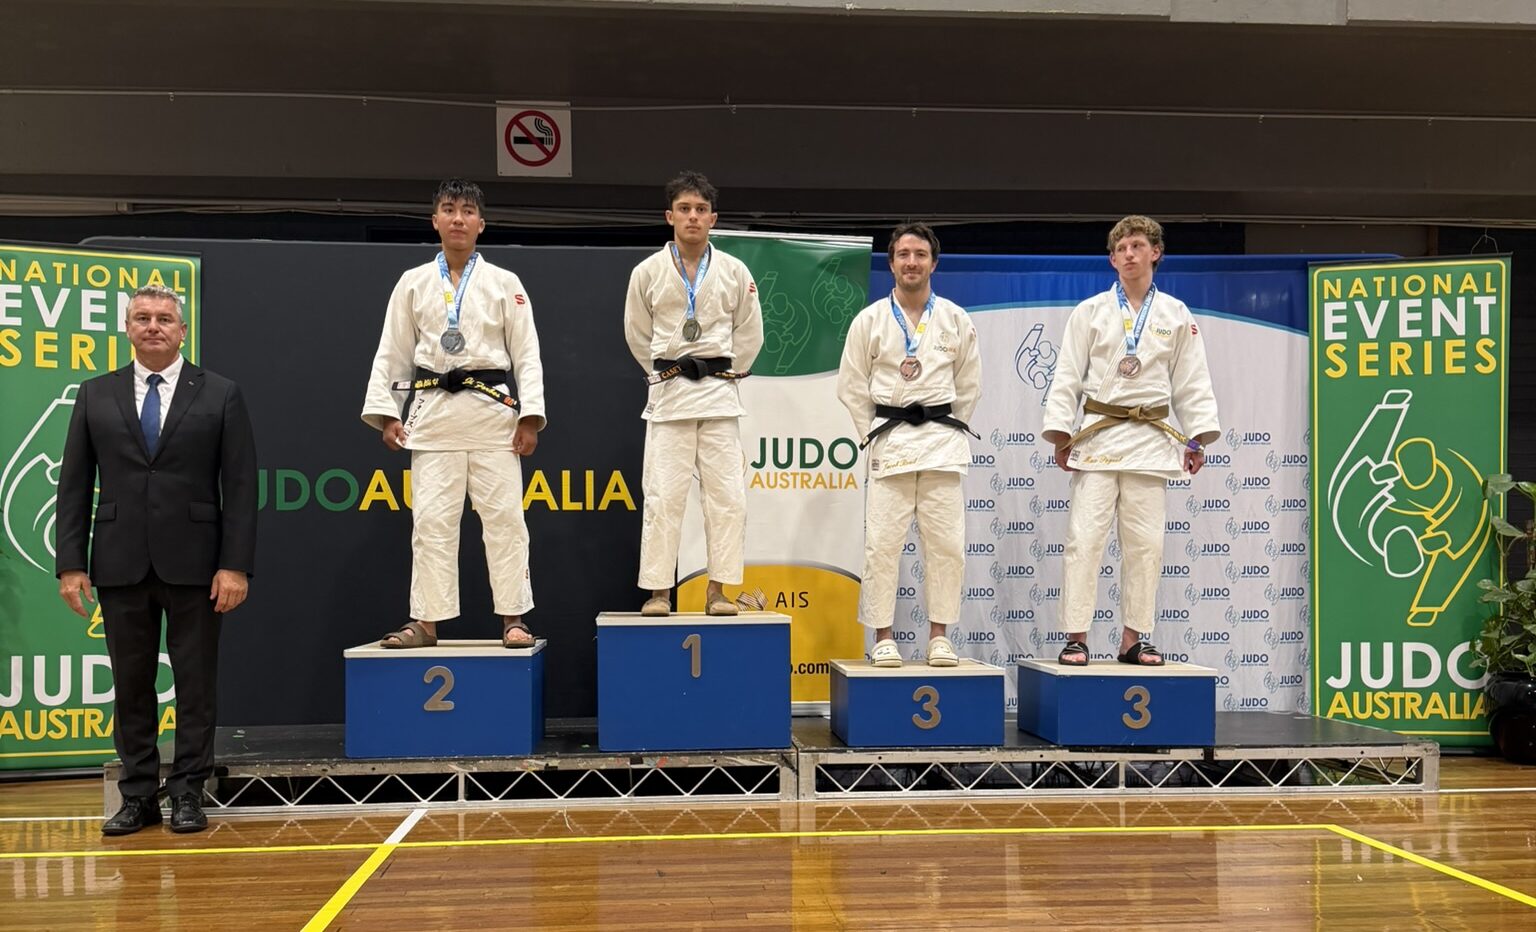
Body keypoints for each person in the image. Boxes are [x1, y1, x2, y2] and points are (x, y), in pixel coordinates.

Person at [56, 284, 258, 835]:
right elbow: (74, 484)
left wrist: (235, 564)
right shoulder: (95, 394)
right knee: (131, 685)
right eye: (142, 318)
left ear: (182, 330)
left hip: (198, 565)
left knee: (195, 685)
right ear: (127, 328)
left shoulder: (220, 393)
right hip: (118, 562)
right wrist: (71, 563)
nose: (153, 326)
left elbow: (241, 487)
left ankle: (188, 792)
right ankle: (139, 795)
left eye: (164, 319)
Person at [362, 179, 547, 649]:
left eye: (467, 211)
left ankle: (513, 618)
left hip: (493, 414)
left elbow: (527, 354)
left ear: (481, 224)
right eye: (449, 209)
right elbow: (393, 351)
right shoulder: (413, 282)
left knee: (506, 522)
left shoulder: (505, 283)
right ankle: (426, 623)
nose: (458, 218)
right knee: (431, 524)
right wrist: (387, 412)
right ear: (435, 221)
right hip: (433, 414)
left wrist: (530, 415)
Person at [1042, 215, 1221, 667]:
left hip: (1150, 441)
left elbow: (1191, 381)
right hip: (1098, 438)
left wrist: (1197, 437)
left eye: (1137, 246)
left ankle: (1133, 638)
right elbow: (1067, 376)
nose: (1128, 254)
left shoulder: (1175, 314)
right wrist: (1061, 434)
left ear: (1155, 253)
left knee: (1146, 546)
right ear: (1112, 259)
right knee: (1084, 541)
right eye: (1121, 249)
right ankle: (1076, 637)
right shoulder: (1090, 312)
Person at [837, 223, 981, 667]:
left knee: (947, 546)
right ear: (892, 263)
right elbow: (852, 385)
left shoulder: (955, 319)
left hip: (941, 443)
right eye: (903, 254)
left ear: (933, 263)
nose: (912, 262)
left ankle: (939, 636)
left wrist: (950, 426)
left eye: (920, 255)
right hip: (892, 441)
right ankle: (883, 635)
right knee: (882, 546)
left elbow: (969, 385)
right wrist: (874, 431)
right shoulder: (870, 320)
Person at [624, 171, 763, 615]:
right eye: (684, 209)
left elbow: (751, 332)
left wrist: (727, 373)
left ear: (713, 218)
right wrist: (665, 371)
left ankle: (718, 590)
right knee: (663, 498)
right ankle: (659, 591)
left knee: (728, 500)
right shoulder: (647, 272)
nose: (693, 217)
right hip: (669, 397)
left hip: (719, 396)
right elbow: (636, 333)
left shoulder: (735, 271)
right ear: (670, 216)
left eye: (701, 210)